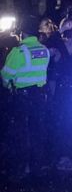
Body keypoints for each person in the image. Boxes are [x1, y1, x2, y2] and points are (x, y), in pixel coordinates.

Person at [1, 17, 51, 179]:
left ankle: (20, 169)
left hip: (21, 98)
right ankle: (37, 166)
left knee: (20, 133)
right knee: (38, 131)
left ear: (21, 33)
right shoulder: (44, 50)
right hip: (39, 97)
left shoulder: (19, 52)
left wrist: (10, 86)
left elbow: (6, 75)